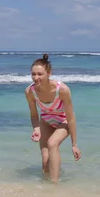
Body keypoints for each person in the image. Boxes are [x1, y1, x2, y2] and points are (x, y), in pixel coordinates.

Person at [25, 54, 81, 182]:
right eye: (33, 74)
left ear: (49, 73)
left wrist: (74, 144)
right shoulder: (29, 92)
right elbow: (34, 114)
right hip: (46, 120)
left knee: (52, 143)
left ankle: (55, 185)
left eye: (40, 74)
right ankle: (46, 189)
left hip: (64, 120)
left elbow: (71, 117)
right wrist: (36, 129)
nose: (36, 77)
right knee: (45, 162)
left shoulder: (62, 90)